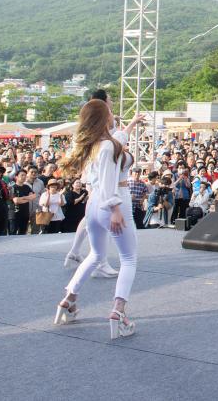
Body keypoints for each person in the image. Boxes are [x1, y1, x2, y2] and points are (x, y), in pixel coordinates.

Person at [56, 100, 143, 339]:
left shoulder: (96, 144)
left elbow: (121, 138)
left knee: (95, 255)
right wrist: (115, 208)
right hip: (113, 201)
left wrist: (133, 124)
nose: (114, 115)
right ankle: (118, 311)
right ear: (105, 119)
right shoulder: (108, 147)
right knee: (129, 259)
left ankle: (68, 299)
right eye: (110, 112)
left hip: (93, 206)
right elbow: (108, 181)